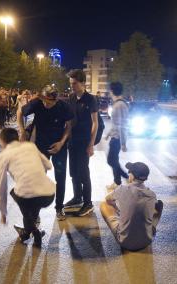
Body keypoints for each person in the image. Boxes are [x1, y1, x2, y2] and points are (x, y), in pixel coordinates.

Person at [18, 85, 74, 221]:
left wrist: (61, 142)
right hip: (41, 146)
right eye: (45, 101)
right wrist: (22, 130)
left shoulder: (63, 107)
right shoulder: (37, 103)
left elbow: (69, 125)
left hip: (58, 146)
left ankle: (59, 208)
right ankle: (35, 213)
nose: (47, 104)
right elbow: (20, 112)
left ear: (56, 100)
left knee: (60, 178)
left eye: (50, 102)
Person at [0, 128, 55, 247]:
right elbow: (48, 165)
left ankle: (34, 232)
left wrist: (3, 213)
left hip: (27, 196)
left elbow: (1, 188)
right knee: (31, 201)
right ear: (17, 138)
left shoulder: (3, 156)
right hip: (49, 194)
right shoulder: (30, 146)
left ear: (2, 141)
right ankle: (27, 233)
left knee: (18, 194)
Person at [100, 162, 163, 251]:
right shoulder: (151, 195)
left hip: (125, 242)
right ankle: (151, 228)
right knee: (159, 205)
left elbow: (108, 199)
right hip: (147, 240)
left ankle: (120, 226)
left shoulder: (122, 189)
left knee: (104, 204)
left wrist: (116, 208)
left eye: (130, 173)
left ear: (132, 176)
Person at [64, 69, 99, 216]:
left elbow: (95, 123)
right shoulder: (71, 98)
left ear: (83, 82)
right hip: (72, 142)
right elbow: (69, 121)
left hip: (84, 142)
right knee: (73, 172)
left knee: (84, 172)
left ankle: (88, 203)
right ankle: (77, 197)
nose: (72, 86)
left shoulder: (90, 99)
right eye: (71, 83)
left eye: (75, 83)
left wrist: (91, 144)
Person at [105, 82, 129, 190]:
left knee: (111, 160)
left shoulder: (119, 105)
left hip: (117, 138)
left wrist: (123, 143)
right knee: (114, 160)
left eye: (110, 90)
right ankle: (118, 182)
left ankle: (126, 177)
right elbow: (116, 124)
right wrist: (108, 134)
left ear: (112, 91)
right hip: (115, 136)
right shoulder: (118, 103)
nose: (109, 92)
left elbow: (121, 125)